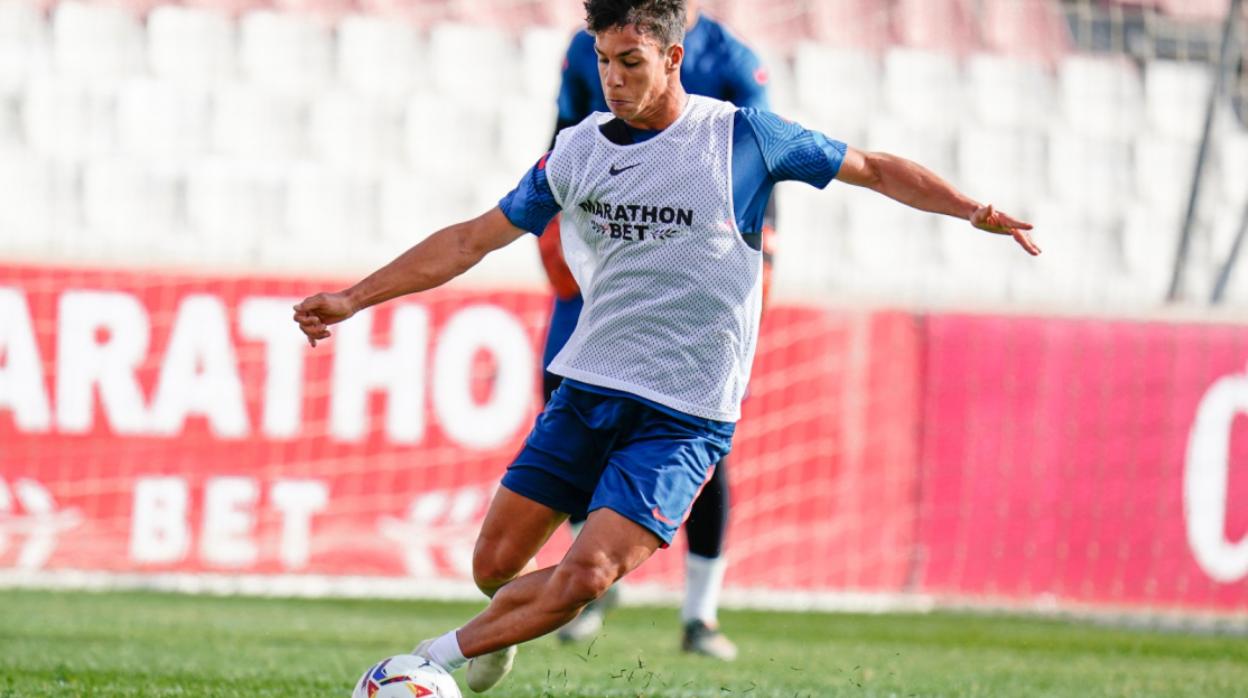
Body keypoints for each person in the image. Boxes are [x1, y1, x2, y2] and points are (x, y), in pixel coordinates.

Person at [293, 0, 1039, 692]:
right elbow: (470, 239)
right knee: (494, 568)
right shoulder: (576, 151)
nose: (612, 81)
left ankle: (429, 664)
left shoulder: (744, 137)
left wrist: (970, 209)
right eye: (602, 61)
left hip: (684, 415)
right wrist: (355, 298)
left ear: (674, 57)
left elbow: (872, 169)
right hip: (589, 391)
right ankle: (498, 631)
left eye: (631, 63)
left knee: (586, 576)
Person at [538, 0, 772, 660]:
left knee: (699, 436)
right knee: (566, 404)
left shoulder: (731, 62)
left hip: (694, 279)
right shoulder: (601, 47)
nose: (616, 74)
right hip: (606, 261)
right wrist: (556, 245)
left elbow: (763, 172)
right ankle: (589, 585)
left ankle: (700, 613)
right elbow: (558, 142)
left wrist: (764, 258)